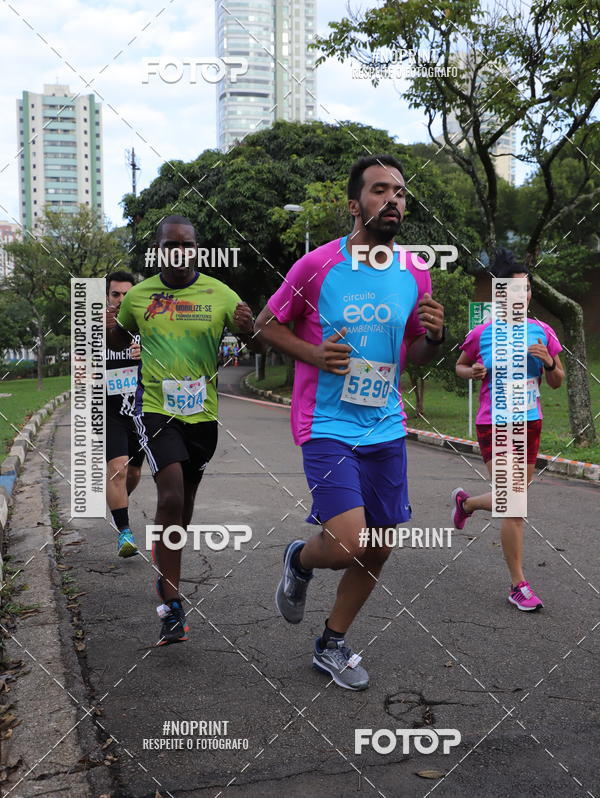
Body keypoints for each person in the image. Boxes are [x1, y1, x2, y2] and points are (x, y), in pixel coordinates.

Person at [255, 154, 445, 690]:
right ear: (354, 203)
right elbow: (267, 325)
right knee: (346, 542)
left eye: (400, 193)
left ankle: (332, 642)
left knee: (379, 544)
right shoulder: (316, 266)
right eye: (380, 190)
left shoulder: (414, 271)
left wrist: (434, 335)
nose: (393, 201)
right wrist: (313, 354)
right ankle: (300, 558)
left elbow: (416, 350)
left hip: (384, 424)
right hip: (326, 423)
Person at [106, 215, 260, 645]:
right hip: (155, 409)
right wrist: (113, 327)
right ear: (158, 250)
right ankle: (170, 602)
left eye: (187, 245)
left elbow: (257, 338)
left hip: (203, 416)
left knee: (184, 505)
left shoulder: (218, 293)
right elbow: (120, 342)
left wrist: (251, 329)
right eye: (171, 245)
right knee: (170, 493)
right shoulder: (139, 296)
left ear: (196, 249)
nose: (180, 251)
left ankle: (166, 558)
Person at [451, 249, 564, 611]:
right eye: (515, 289)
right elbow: (460, 366)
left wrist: (548, 363)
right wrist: (472, 373)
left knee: (512, 498)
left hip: (530, 421)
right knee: (513, 502)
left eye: (527, 289)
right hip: (494, 423)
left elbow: (558, 381)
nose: (523, 295)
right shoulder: (482, 334)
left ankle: (466, 503)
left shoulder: (542, 331)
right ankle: (518, 584)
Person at [105, 270, 144, 558]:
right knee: (117, 468)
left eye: (126, 294)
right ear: (107, 296)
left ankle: (119, 502)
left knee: (132, 472)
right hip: (109, 411)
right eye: (116, 294)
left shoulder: (144, 323)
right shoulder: (95, 327)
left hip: (140, 410)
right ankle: (125, 532)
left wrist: (147, 354)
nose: (120, 299)